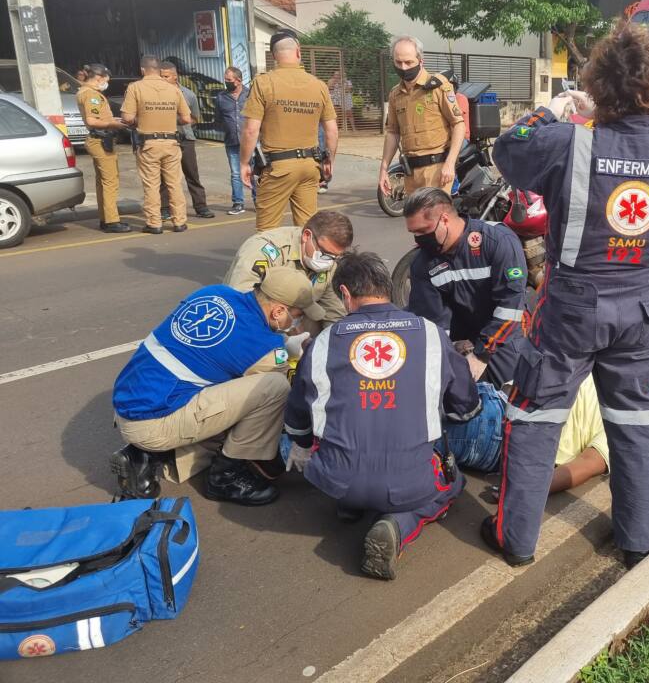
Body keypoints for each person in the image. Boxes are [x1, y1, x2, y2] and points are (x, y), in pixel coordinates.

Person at [481, 21, 649, 568]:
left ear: (598, 87)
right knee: (631, 416)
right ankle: (637, 539)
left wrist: (556, 109)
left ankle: (516, 539)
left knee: (536, 415)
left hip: (575, 307)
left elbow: (508, 150)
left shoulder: (570, 142)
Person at [283, 252, 481, 580]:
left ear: (345, 294)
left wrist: (303, 446)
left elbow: (298, 419)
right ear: (387, 288)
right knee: (452, 481)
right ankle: (398, 524)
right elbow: (465, 406)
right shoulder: (430, 334)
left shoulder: (322, 342)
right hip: (409, 481)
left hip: (336, 480)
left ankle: (352, 505)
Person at [110, 268, 322, 505]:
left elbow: (234, 340)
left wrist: (285, 344)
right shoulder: (265, 350)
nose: (298, 322)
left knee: (230, 385)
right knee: (273, 388)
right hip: (151, 424)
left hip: (128, 400)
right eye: (298, 315)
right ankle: (226, 477)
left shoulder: (215, 293)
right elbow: (290, 392)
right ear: (278, 311)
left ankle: (144, 456)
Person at [446, 375, 649, 491]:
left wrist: (525, 488)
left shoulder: (626, 432)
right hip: (494, 398)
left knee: (417, 429)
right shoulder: (614, 384)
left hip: (499, 429)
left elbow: (585, 466)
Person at [404, 187, 529, 386]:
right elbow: (433, 320)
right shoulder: (422, 264)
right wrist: (449, 352)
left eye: (423, 231)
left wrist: (481, 354)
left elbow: (510, 307)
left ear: (444, 219)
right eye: (413, 233)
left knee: (511, 395)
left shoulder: (497, 242)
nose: (418, 239)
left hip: (502, 335)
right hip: (460, 339)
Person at [240, 31, 338, 231]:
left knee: (267, 231)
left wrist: (243, 163)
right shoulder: (318, 85)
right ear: (299, 52)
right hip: (310, 166)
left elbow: (251, 130)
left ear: (274, 56)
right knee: (306, 230)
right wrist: (329, 160)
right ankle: (303, 262)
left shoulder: (264, 83)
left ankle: (271, 262)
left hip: (278, 168)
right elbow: (332, 130)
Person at [223, 210, 353, 329]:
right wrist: (276, 343)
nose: (328, 261)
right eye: (324, 253)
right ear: (306, 236)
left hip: (296, 317)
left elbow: (333, 313)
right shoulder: (263, 250)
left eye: (335, 256)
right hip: (256, 319)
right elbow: (239, 304)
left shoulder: (330, 263)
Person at [378, 36, 466, 196]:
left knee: (435, 219)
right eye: (398, 62)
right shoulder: (395, 95)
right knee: (415, 220)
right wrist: (383, 169)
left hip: (437, 170)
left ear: (420, 61)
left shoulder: (438, 87)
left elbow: (458, 124)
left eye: (408, 62)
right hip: (410, 172)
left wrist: (450, 163)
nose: (403, 68)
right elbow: (392, 132)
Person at [120, 55, 192, 235]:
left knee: (151, 184)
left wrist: (142, 119)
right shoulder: (173, 89)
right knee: (174, 183)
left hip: (148, 144)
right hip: (171, 142)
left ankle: (154, 223)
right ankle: (179, 221)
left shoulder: (135, 88)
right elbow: (185, 118)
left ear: (143, 70)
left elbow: (127, 118)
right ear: (159, 70)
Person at [76, 63, 129, 233]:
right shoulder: (91, 94)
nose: (107, 83)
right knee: (110, 181)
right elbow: (92, 121)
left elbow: (99, 116)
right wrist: (114, 124)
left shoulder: (89, 92)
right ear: (98, 78)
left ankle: (106, 218)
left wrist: (113, 120)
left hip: (99, 139)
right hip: (100, 140)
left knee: (103, 182)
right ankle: (112, 221)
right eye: (106, 80)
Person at [158, 61, 214, 220]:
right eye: (161, 76)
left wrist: (180, 121)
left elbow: (195, 118)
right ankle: (165, 208)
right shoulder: (157, 95)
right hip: (165, 139)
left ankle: (201, 206)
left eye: (166, 76)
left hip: (185, 139)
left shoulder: (189, 95)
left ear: (175, 77)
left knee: (192, 173)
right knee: (164, 177)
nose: (163, 79)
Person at [214, 66, 254, 215]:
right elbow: (217, 119)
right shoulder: (221, 97)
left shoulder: (250, 94)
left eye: (229, 80)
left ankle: (258, 201)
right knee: (236, 173)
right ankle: (238, 203)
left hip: (251, 141)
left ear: (238, 80)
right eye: (225, 80)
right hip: (231, 141)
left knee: (254, 171)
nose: (226, 82)